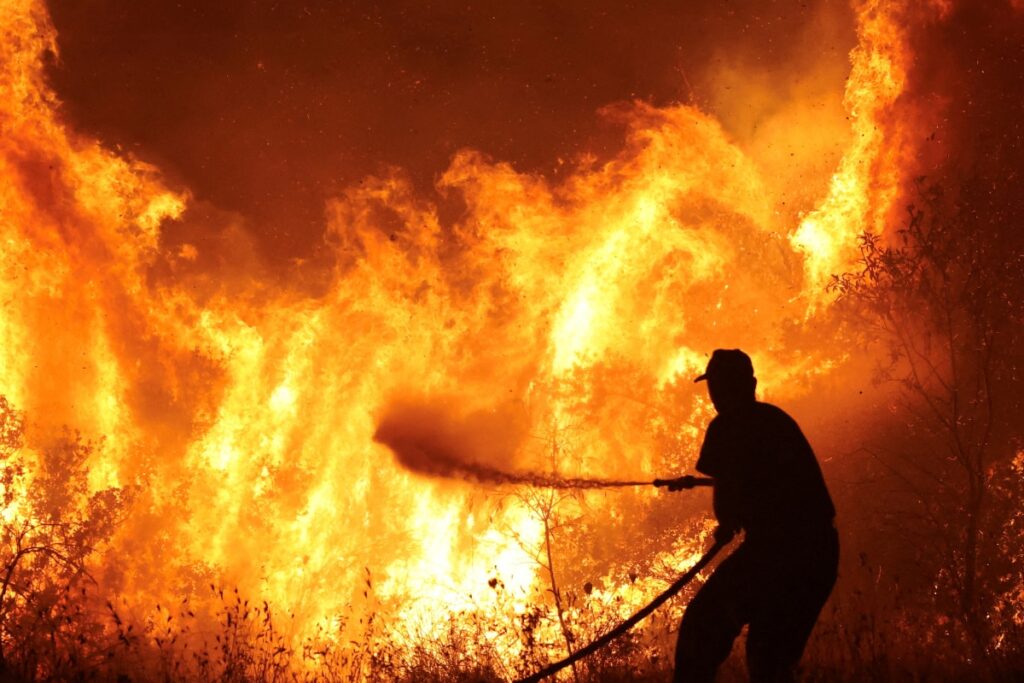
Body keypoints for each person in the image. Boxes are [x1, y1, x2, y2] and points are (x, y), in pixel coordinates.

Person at [661, 349, 838, 683]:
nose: (715, 394)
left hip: (777, 552)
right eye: (713, 386)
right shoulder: (776, 420)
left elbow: (728, 498)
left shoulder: (727, 425)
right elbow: (764, 479)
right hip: (819, 554)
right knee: (769, 660)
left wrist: (726, 522)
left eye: (718, 385)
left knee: (702, 628)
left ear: (746, 385)